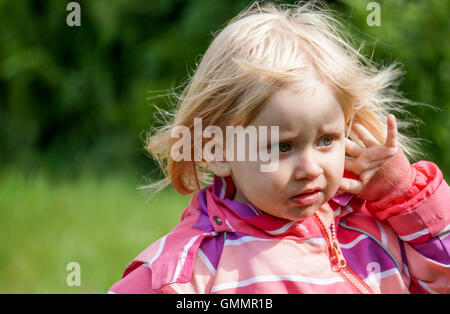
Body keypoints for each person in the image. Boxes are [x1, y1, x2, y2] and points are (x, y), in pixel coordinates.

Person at [109, 1, 449, 294]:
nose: (311, 168)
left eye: (326, 140)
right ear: (218, 150)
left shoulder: (373, 228)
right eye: (283, 147)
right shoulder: (193, 271)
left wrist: (405, 195)